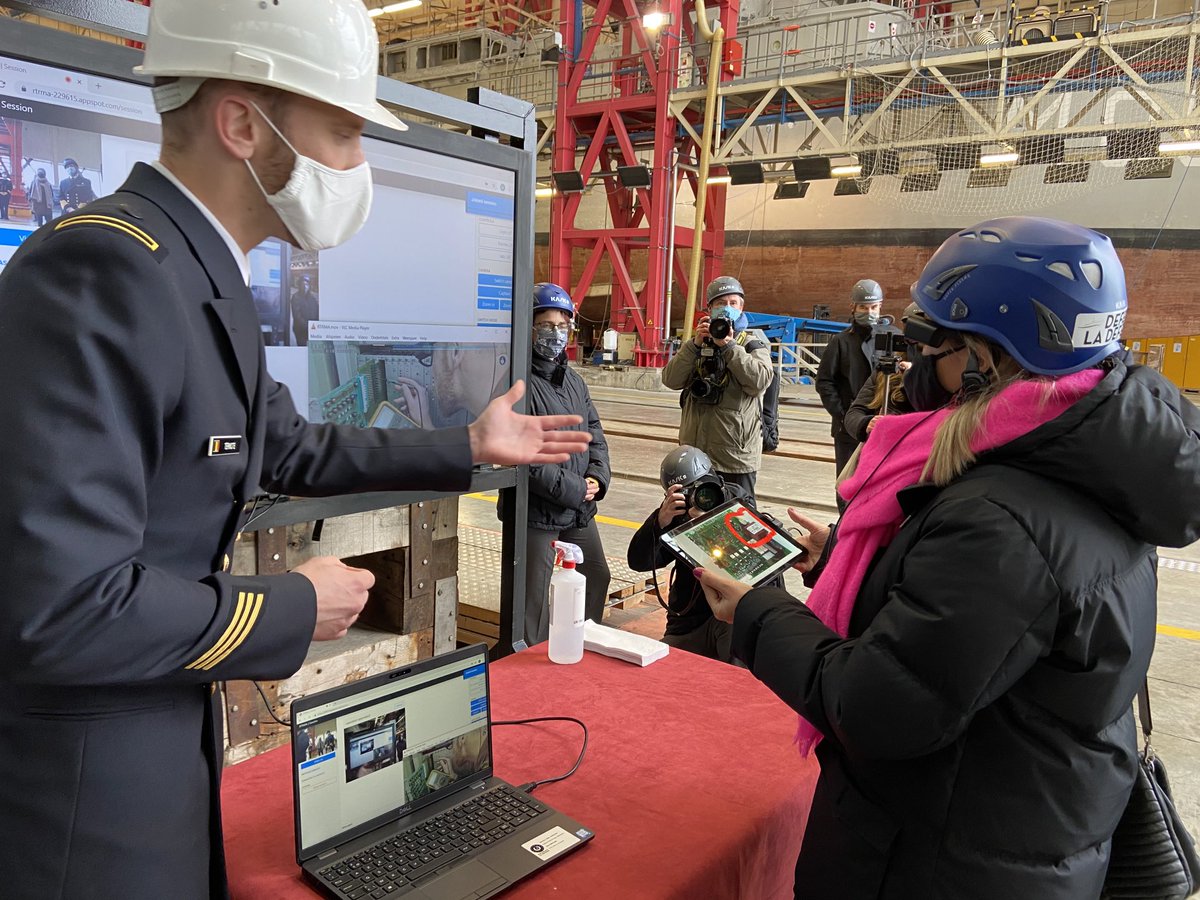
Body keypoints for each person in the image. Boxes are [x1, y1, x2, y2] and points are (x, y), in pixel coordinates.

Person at [0, 2, 590, 898]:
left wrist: (468, 445)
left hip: (156, 748)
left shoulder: (202, 276)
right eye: (344, 132)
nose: (357, 165)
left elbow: (290, 446)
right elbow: (65, 609)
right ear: (242, 124)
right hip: (84, 804)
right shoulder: (104, 274)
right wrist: (288, 607)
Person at [694, 216, 1200, 900]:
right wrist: (844, 562)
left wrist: (758, 612)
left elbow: (877, 705)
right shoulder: (1094, 461)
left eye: (933, 341)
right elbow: (972, 633)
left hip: (944, 863)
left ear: (987, 356)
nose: (915, 363)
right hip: (1021, 827)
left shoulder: (1001, 521)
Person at [499, 282, 612, 644]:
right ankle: (529, 665)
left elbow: (594, 432)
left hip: (578, 507)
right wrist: (577, 489)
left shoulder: (574, 381)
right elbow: (522, 455)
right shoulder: (514, 383)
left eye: (562, 326)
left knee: (596, 575)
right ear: (527, 328)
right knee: (531, 605)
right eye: (546, 325)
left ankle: (581, 644)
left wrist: (597, 477)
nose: (556, 334)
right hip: (536, 512)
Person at [627, 445, 771, 664]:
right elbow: (639, 562)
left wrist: (710, 523)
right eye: (687, 492)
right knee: (660, 667)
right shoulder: (675, 512)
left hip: (731, 616)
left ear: (715, 480)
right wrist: (659, 522)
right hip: (690, 622)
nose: (698, 497)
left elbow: (757, 555)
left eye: (703, 487)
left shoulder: (735, 499)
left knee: (738, 657)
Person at [661, 275, 774, 499]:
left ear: (741, 308)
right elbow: (670, 380)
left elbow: (759, 382)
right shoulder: (697, 345)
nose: (727, 308)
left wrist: (729, 347)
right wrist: (693, 346)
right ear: (709, 309)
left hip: (735, 457)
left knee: (739, 513)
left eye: (733, 303)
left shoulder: (751, 345)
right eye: (721, 303)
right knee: (694, 511)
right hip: (695, 457)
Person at [815, 277, 884, 508]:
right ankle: (844, 526)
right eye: (864, 307)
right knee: (847, 487)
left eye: (873, 307)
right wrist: (845, 416)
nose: (869, 312)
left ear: (880, 306)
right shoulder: (840, 342)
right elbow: (825, 382)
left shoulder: (892, 339)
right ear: (853, 307)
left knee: (879, 486)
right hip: (848, 430)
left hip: (884, 426)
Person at [290, 272, 318, 345]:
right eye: (303, 284)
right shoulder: (296, 297)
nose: (305, 286)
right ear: (299, 285)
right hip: (300, 330)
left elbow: (316, 312)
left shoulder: (313, 299)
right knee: (302, 346)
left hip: (312, 330)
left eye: (307, 284)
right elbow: (297, 316)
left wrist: (315, 325)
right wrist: (307, 326)